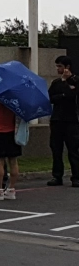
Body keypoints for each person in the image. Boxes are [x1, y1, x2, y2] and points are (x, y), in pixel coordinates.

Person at [47, 55, 79, 187]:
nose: (57, 69)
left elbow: (72, 96)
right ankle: (57, 176)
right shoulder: (56, 82)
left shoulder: (75, 80)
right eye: (57, 66)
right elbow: (50, 98)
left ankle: (76, 177)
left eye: (60, 66)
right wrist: (63, 95)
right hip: (57, 120)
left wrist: (65, 83)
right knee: (56, 149)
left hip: (71, 121)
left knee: (73, 150)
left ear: (67, 67)